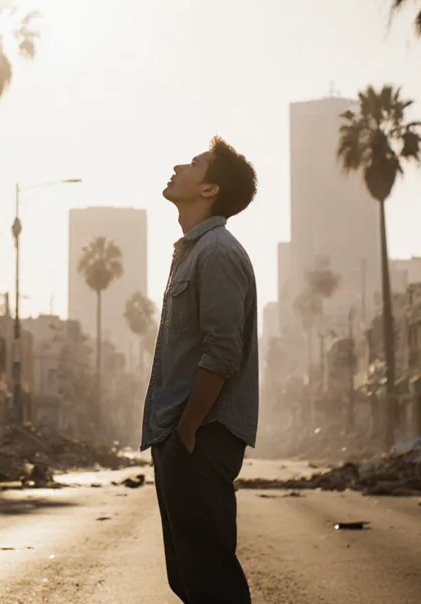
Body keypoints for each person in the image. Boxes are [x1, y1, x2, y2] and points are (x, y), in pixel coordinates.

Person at [141, 136, 259, 604]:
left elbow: (222, 351)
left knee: (211, 582)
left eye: (193, 163)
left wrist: (188, 428)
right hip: (181, 434)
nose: (178, 166)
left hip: (201, 435)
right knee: (189, 580)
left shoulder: (215, 254)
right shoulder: (192, 252)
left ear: (209, 190)